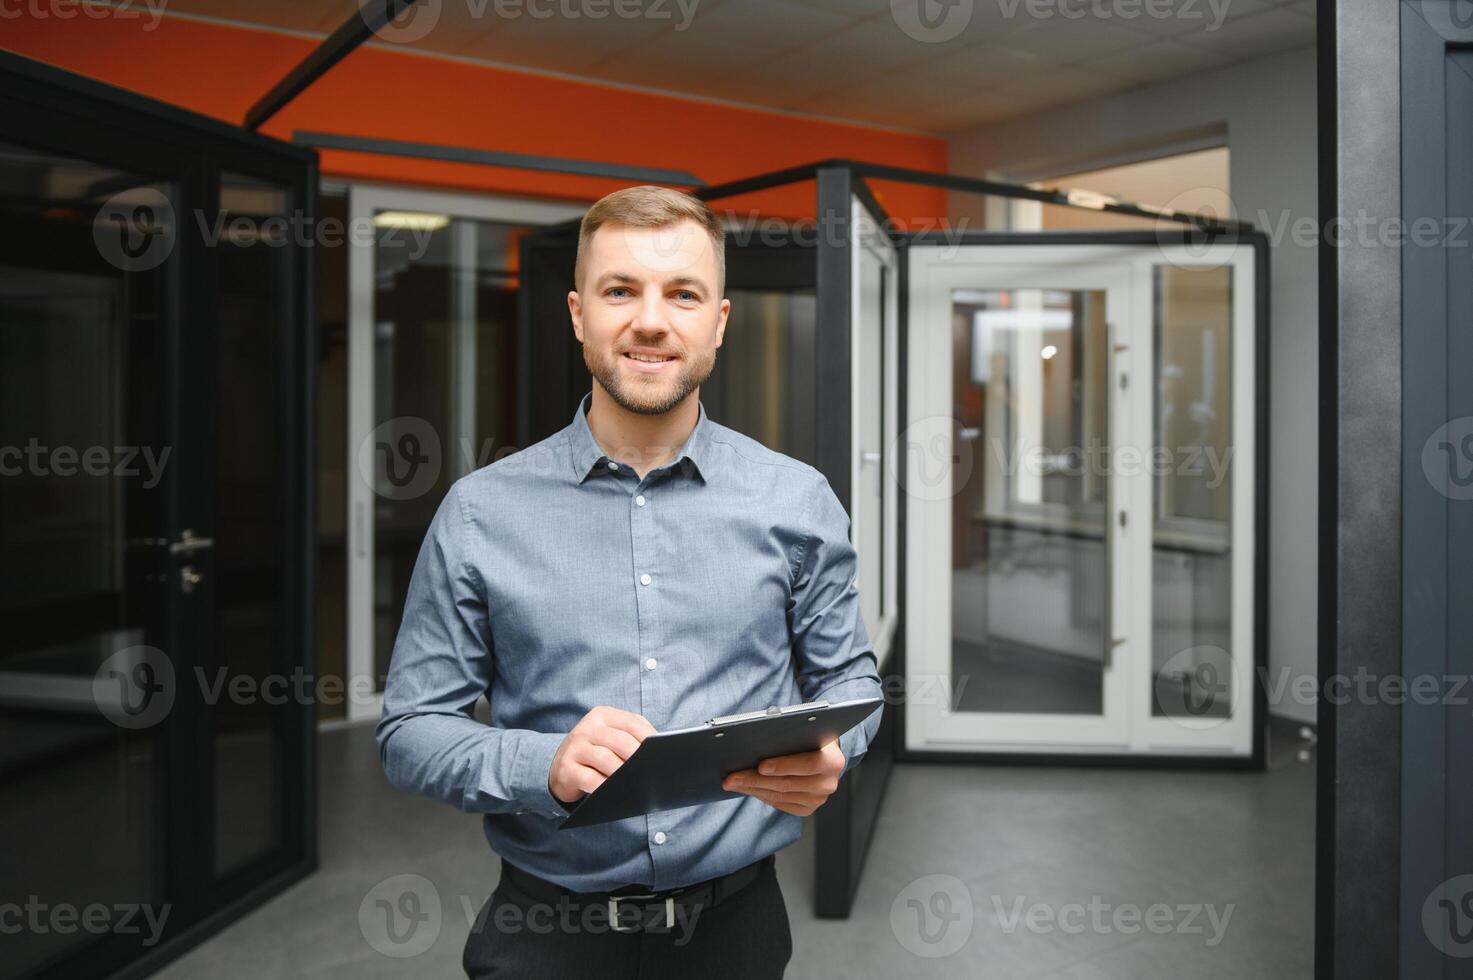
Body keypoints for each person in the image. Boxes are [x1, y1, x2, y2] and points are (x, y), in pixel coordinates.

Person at [376, 184, 883, 979]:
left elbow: (852, 681)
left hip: (737, 932)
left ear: (717, 323)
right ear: (579, 315)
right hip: (545, 933)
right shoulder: (479, 512)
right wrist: (537, 766)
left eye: (683, 294)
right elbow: (409, 732)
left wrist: (834, 752)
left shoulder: (797, 499)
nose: (651, 320)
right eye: (621, 291)